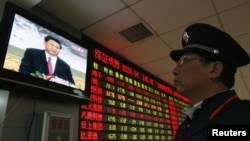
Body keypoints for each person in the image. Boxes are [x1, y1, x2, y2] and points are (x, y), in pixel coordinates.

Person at [170, 23, 250, 141]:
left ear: (214, 69)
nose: (175, 70)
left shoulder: (244, 117)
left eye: (183, 61)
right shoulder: (184, 127)